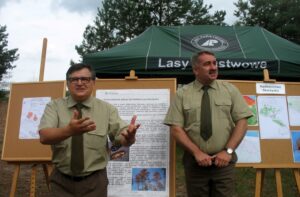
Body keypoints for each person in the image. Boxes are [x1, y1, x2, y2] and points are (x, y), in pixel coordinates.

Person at [38, 63, 140, 197]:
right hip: (61, 182)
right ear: (68, 84)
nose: (79, 83)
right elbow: (44, 136)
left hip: (95, 183)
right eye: (74, 79)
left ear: (93, 82)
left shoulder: (107, 109)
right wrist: (69, 130)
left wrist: (129, 138)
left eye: (85, 79)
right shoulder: (54, 106)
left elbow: (120, 137)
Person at [164, 51, 252, 197]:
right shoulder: (183, 93)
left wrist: (228, 151)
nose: (213, 67)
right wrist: (197, 153)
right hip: (195, 164)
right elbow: (176, 129)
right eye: (207, 64)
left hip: (224, 163)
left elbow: (242, 122)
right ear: (195, 70)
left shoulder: (230, 90)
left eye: (214, 63)